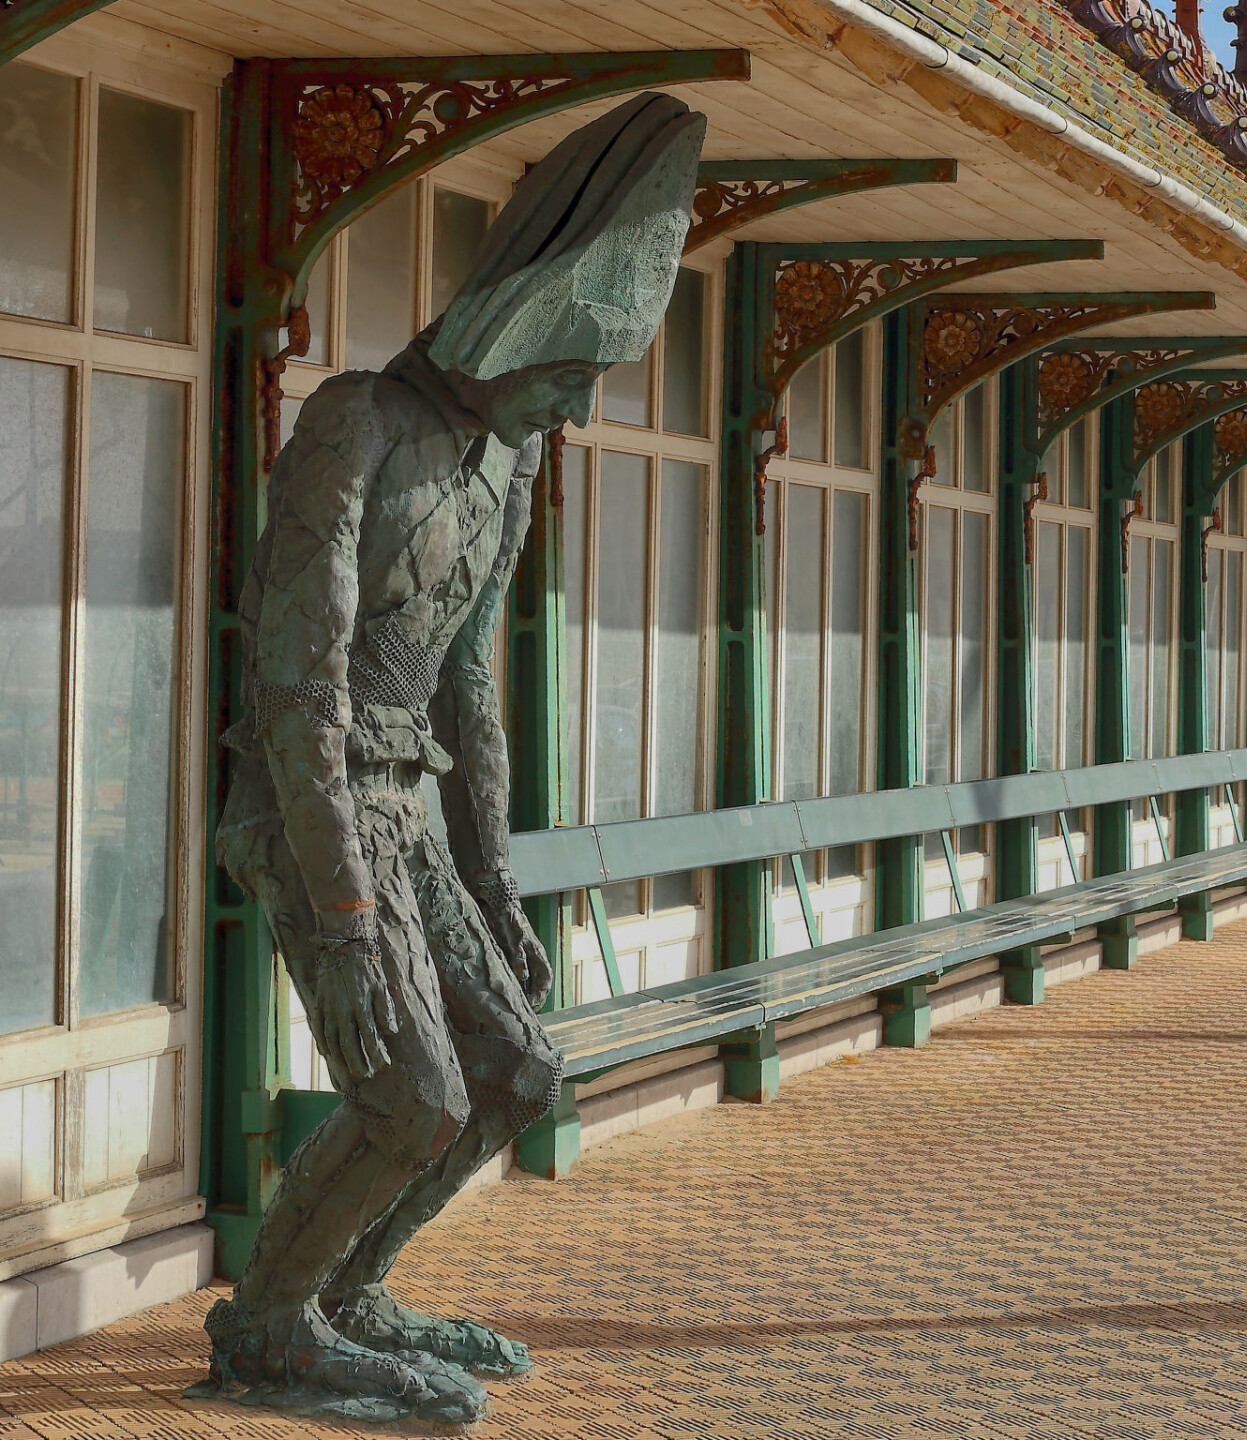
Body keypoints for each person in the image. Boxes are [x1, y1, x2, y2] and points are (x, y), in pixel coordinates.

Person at [189, 91, 705, 1426]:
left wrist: (496, 885)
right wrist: (347, 909)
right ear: (513, 327)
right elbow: (295, 684)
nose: (580, 405)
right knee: (410, 1097)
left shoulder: (504, 464)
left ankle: (350, 1288)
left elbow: (471, 688)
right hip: (313, 808)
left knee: (519, 1073)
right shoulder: (356, 423)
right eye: (572, 370)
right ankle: (268, 1326)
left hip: (409, 807)